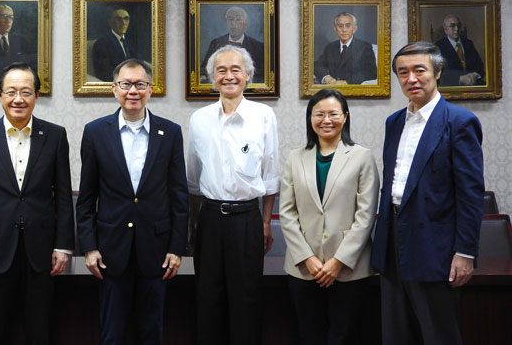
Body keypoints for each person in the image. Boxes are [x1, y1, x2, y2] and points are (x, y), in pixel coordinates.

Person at [371, 41, 484, 345]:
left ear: (437, 72)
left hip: (436, 245)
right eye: (403, 72)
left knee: (438, 333)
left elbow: (471, 194)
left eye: (419, 70)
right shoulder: (394, 122)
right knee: (396, 331)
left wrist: (465, 252)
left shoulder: (459, 122)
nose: (411, 79)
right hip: (393, 237)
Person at [76, 58, 188, 344]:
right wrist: (89, 248)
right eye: (126, 84)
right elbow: (87, 198)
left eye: (140, 84)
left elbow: (178, 196)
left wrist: (177, 248)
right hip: (111, 253)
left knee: (152, 331)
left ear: (150, 89)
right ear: (115, 89)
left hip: (157, 251)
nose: (133, 91)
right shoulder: (96, 132)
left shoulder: (170, 132)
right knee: (113, 333)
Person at [0, 62, 74, 344]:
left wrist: (63, 246)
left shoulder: (55, 135)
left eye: (26, 92)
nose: (18, 99)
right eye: (11, 92)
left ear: (37, 96)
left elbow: (62, 195)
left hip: (42, 249)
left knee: (40, 328)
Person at [186, 45, 279, 344]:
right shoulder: (199, 119)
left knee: (247, 299)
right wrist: (192, 224)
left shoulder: (264, 116)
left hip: (247, 218)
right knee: (207, 298)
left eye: (235, 70)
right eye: (221, 70)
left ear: (248, 75)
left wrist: (265, 224)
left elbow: (270, 174)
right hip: (209, 218)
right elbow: (192, 179)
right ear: (212, 78)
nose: (229, 76)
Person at [279, 88, 379, 345]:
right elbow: (287, 213)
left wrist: (338, 261)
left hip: (349, 268)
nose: (326, 120)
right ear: (310, 118)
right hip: (304, 268)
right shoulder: (295, 158)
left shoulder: (362, 157)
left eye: (333, 114)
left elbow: (365, 215)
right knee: (308, 334)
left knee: (344, 335)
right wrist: (308, 258)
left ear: (345, 117)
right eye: (319, 114)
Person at [201, 6, 265, 82]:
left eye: (238, 20)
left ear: (245, 24)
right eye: (230, 19)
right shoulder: (215, 43)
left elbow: (262, 74)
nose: (233, 23)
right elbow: (204, 69)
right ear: (226, 23)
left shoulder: (259, 46)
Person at [313, 12, 377, 85]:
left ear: (354, 29)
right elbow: (317, 65)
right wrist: (326, 77)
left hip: (353, 89)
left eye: (348, 26)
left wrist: (346, 82)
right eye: (340, 26)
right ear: (335, 28)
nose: (344, 30)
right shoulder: (330, 47)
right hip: (332, 88)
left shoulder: (365, 47)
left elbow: (371, 72)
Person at [434, 14, 486, 86]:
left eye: (458, 25)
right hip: (452, 86)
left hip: (473, 84)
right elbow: (438, 72)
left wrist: (475, 75)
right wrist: (459, 79)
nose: (456, 29)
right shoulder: (438, 46)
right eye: (452, 26)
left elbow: (479, 65)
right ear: (445, 30)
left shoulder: (468, 43)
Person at [92, 8, 135, 82]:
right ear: (110, 22)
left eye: (126, 19)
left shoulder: (129, 42)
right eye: (118, 19)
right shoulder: (102, 43)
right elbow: (104, 73)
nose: (123, 23)